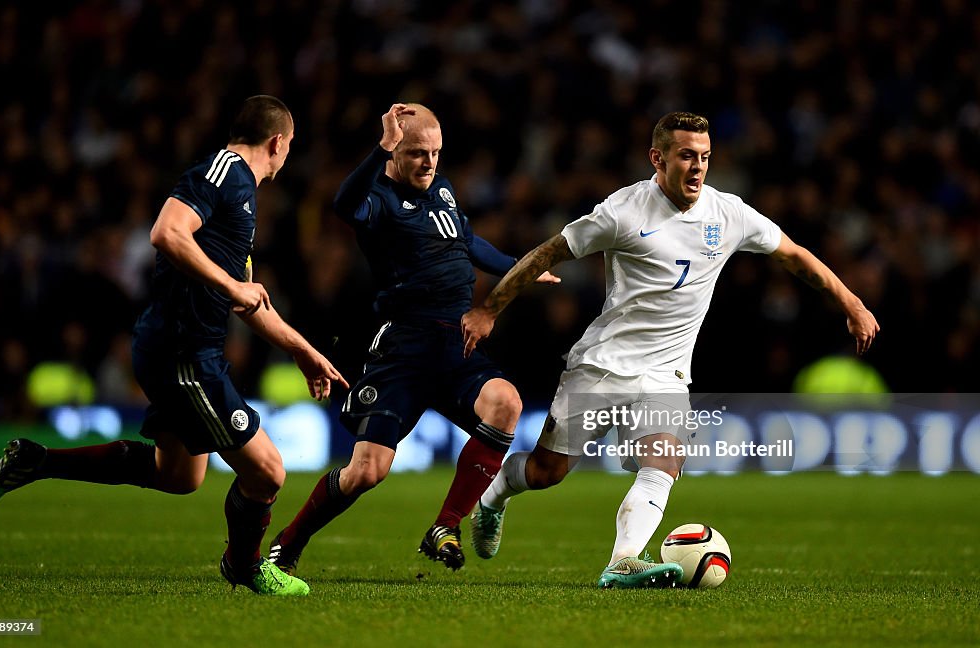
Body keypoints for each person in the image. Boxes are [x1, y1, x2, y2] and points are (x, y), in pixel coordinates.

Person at [461, 111, 880, 589]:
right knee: (545, 471)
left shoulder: (728, 214)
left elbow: (793, 254)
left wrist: (851, 302)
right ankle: (493, 498)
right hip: (603, 366)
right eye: (686, 156)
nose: (697, 167)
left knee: (663, 463)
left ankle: (622, 561)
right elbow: (548, 252)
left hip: (666, 375)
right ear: (657, 159)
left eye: (704, 157)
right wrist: (490, 309)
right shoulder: (622, 211)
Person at [0, 95, 348, 596]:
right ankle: (244, 565)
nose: (287, 157)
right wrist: (234, 288)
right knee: (268, 473)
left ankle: (38, 461)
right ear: (277, 142)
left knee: (179, 475)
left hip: (179, 348)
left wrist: (303, 350)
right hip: (184, 354)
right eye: (290, 146)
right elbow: (167, 232)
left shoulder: (243, 199)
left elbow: (248, 300)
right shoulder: (225, 171)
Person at [267, 103, 559, 573]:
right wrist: (379, 148)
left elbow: (467, 242)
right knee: (367, 471)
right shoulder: (377, 195)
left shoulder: (441, 189)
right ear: (394, 151)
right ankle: (290, 541)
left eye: (436, 152)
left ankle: (445, 524)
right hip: (404, 346)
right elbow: (343, 206)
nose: (429, 162)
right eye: (418, 153)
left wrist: (519, 266)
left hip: (455, 343)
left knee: (505, 403)